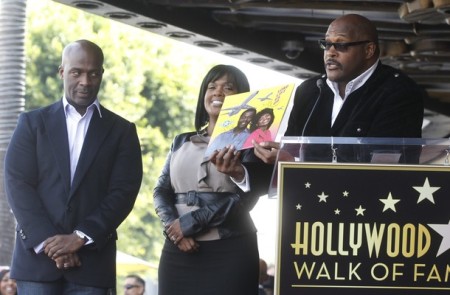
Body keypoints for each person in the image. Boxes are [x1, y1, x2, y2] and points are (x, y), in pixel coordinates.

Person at [4, 39, 143, 294]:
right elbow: (17, 185)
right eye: (76, 72)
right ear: (61, 72)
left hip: (92, 264)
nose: (85, 81)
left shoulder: (122, 131)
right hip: (37, 264)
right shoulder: (32, 124)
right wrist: (51, 244)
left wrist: (79, 237)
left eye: (93, 73)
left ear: (101, 74)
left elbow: (123, 192)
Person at [153, 64, 272, 295]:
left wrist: (190, 223)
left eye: (228, 87)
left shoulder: (254, 143)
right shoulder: (181, 141)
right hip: (178, 249)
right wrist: (174, 230)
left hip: (230, 251)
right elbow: (160, 190)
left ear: (243, 98)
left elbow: (246, 197)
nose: (218, 92)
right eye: (212, 86)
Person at [253, 14, 424, 164]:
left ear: (369, 50)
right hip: (306, 199)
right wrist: (241, 173)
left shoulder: (399, 92)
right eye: (326, 44)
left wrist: (294, 163)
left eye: (341, 45)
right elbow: (286, 153)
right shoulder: (309, 91)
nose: (330, 52)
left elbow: (385, 164)